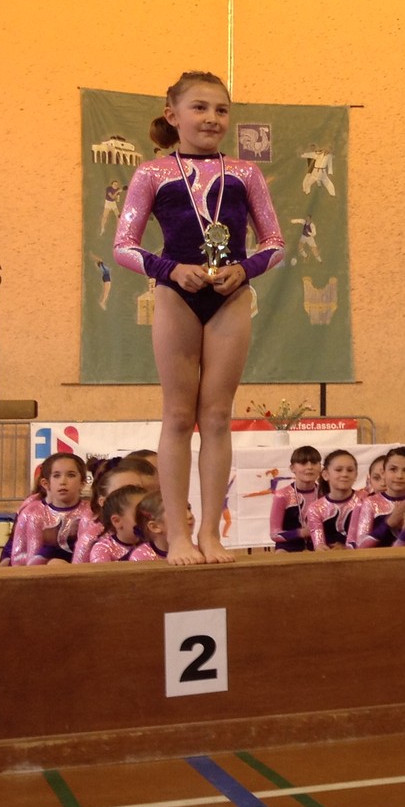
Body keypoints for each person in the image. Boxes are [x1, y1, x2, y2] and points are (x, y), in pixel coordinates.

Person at [113, 71, 284, 564]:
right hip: (176, 294)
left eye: (222, 110)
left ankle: (211, 532)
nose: (212, 118)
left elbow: (275, 242)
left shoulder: (245, 173)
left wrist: (243, 268)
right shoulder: (152, 174)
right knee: (178, 415)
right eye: (200, 108)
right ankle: (179, 535)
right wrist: (171, 269)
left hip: (229, 296)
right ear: (173, 115)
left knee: (216, 416)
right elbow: (123, 246)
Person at [5, 453, 89, 566]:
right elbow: (21, 557)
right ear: (46, 484)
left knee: (56, 562)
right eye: (56, 476)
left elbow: (89, 556)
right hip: (40, 572)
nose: (63, 481)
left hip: (79, 572)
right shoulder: (32, 513)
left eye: (71, 475)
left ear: (83, 483)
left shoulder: (90, 512)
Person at [77, 456, 156, 563]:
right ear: (103, 502)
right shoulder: (92, 540)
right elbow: (77, 575)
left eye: (138, 489)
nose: (135, 496)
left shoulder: (155, 531)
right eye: (123, 491)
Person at [349, 446, 405, 548]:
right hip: (376, 561)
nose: (399, 476)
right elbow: (360, 545)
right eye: (393, 469)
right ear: (384, 473)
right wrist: (388, 523)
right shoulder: (370, 503)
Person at [268, 445, 323, 552]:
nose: (309, 467)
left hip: (318, 545)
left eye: (314, 463)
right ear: (292, 468)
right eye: (303, 463)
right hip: (288, 547)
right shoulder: (282, 495)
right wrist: (302, 532)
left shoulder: (324, 494)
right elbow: (274, 534)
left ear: (320, 467)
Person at [305, 449, 361, 551]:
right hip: (329, 559)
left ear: (356, 475)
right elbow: (319, 545)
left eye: (350, 470)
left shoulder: (365, 500)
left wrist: (347, 549)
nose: (344, 474)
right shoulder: (315, 508)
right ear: (325, 475)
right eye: (338, 470)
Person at [88, 485, 148, 563]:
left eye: (150, 514)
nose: (148, 520)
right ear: (117, 521)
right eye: (140, 515)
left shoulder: (153, 544)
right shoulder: (102, 549)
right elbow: (103, 574)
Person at [129, 491, 173, 560]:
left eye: (188, 508)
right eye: (175, 513)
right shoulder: (141, 556)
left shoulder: (194, 550)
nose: (189, 515)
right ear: (154, 526)